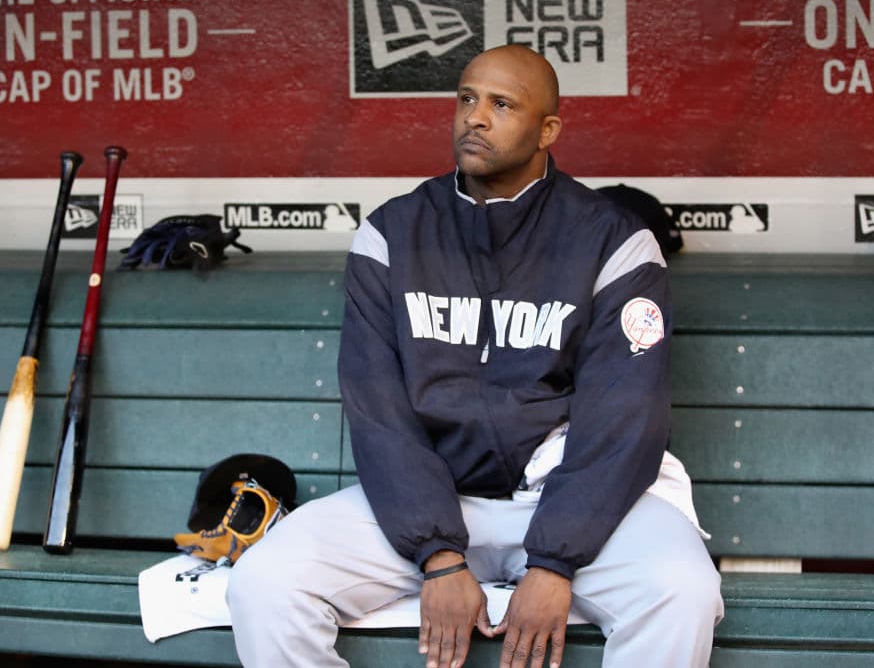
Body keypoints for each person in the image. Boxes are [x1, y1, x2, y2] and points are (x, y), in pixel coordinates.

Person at [227, 44, 724, 668]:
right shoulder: (393, 232)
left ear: (548, 130)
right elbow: (379, 409)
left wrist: (555, 561)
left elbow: (624, 416)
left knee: (683, 590)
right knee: (265, 582)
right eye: (466, 98)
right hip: (434, 500)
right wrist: (438, 557)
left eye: (502, 104)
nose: (476, 117)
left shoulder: (612, 240)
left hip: (565, 498)